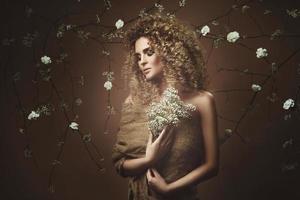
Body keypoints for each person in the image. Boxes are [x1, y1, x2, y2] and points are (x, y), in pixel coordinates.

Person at [112, 11, 219, 200]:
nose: (142, 62)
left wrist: (169, 189)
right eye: (137, 57)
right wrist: (149, 160)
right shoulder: (133, 103)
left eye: (149, 52)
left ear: (169, 53)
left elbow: (211, 166)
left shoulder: (202, 101)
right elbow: (120, 164)